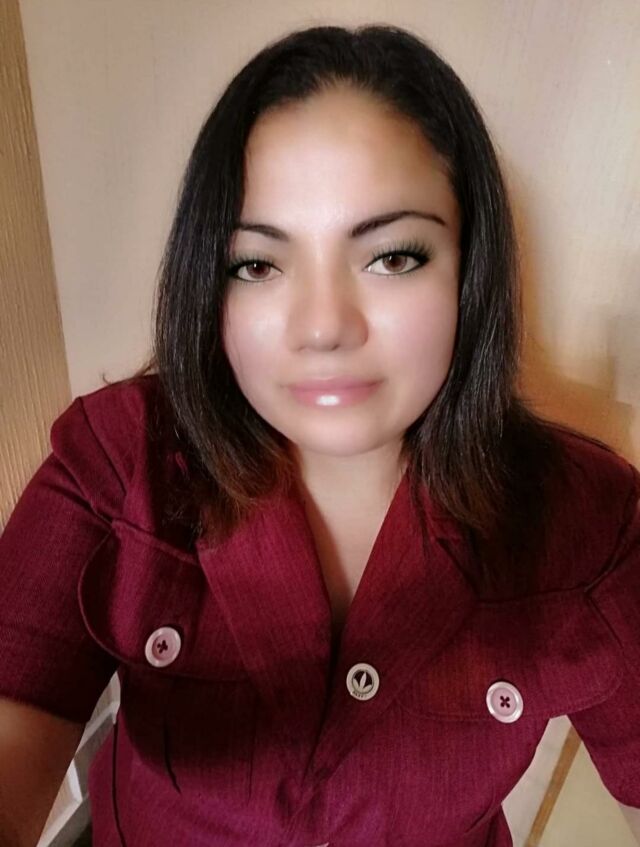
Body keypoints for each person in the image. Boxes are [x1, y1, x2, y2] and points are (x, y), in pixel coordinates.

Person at [1, 22, 639, 847]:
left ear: (470, 269)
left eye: (393, 257)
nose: (324, 326)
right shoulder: (118, 461)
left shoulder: (587, 526)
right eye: (257, 264)